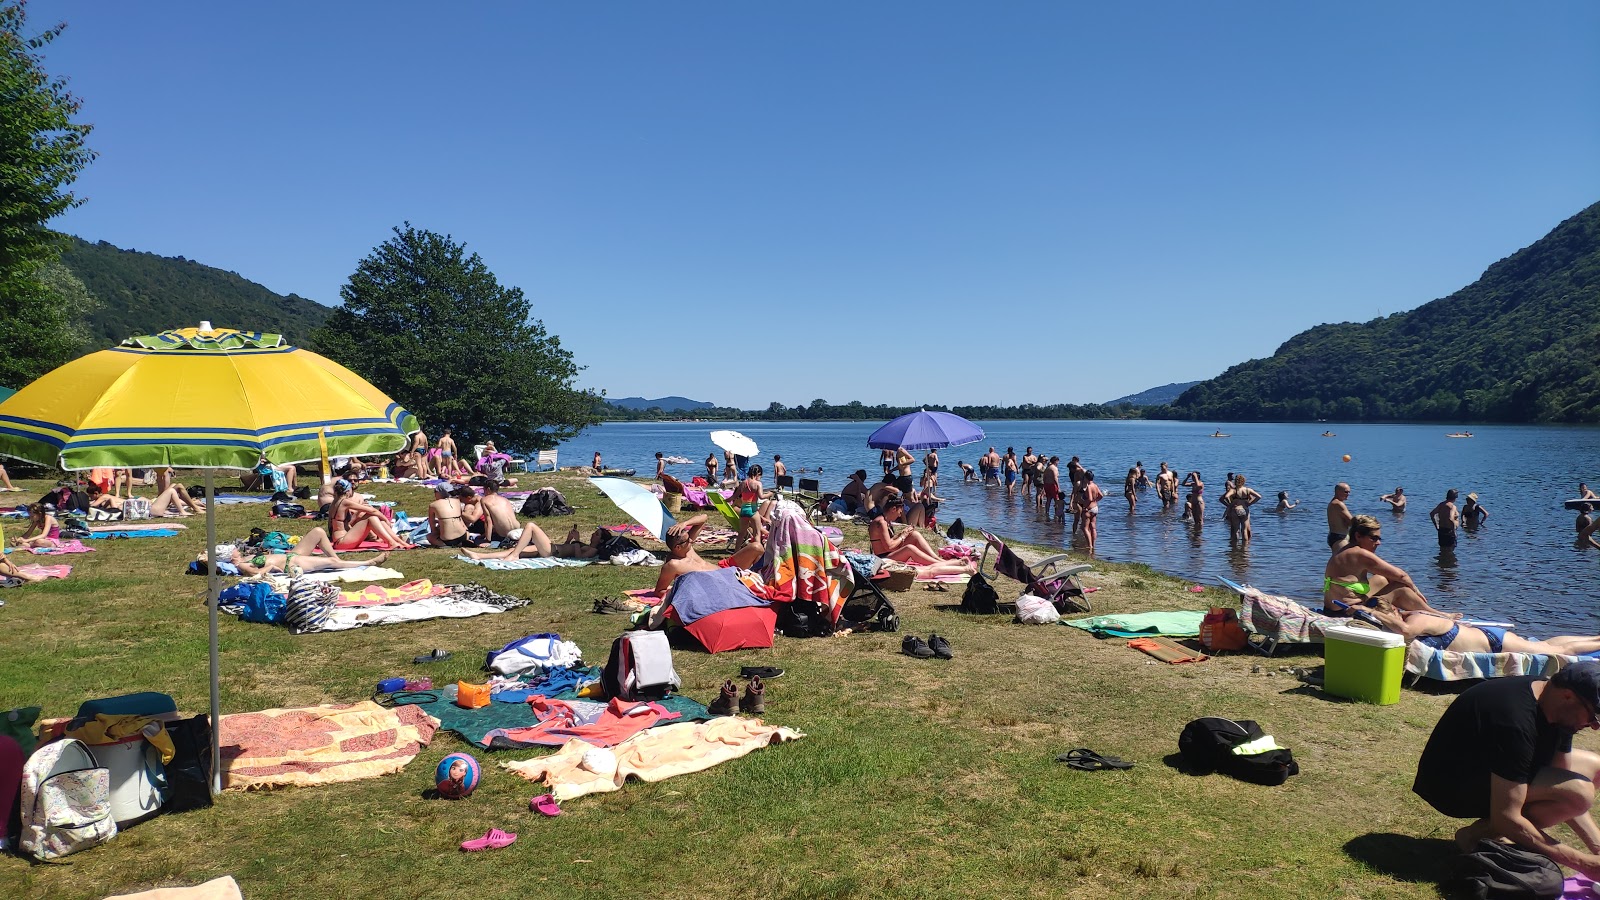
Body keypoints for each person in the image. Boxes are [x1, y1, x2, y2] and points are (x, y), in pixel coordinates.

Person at [1412, 660, 1600, 879]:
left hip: (1494, 765)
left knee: (1594, 771)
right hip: (1452, 784)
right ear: (1568, 696)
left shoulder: (1556, 706)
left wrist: (1597, 848)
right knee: (1579, 792)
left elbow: (1561, 776)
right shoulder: (1515, 720)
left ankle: (1499, 832)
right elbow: (1506, 816)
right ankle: (1475, 836)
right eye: (1593, 716)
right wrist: (1582, 863)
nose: (1595, 726)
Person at [1322, 515, 1454, 617]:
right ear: (1358, 536)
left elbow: (1390, 574)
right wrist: (1416, 590)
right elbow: (1402, 575)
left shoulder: (1345, 549)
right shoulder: (1360, 554)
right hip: (1346, 611)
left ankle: (1415, 609)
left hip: (1332, 608)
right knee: (1400, 588)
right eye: (1373, 538)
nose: (1378, 543)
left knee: (1381, 579)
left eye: (1380, 539)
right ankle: (1435, 613)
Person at [653, 513, 765, 596]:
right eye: (688, 540)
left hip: (725, 568)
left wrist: (685, 523)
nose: (691, 541)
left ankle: (764, 578)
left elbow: (704, 517)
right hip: (719, 582)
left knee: (757, 547)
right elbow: (659, 591)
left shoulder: (687, 547)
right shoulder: (673, 565)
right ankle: (760, 584)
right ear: (678, 547)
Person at [228, 528, 390, 576]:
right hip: (292, 563)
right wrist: (269, 568)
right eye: (232, 551)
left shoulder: (245, 556)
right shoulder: (242, 565)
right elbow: (257, 574)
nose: (235, 549)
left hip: (292, 554)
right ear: (231, 558)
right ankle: (369, 562)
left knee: (318, 532)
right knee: (332, 563)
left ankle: (337, 561)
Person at [868, 497, 969, 572]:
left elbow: (888, 541)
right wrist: (902, 536)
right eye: (899, 512)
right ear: (893, 509)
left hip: (889, 553)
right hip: (884, 558)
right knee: (909, 548)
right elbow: (888, 546)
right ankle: (942, 564)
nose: (899, 515)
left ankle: (937, 559)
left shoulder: (886, 521)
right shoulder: (881, 522)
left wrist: (904, 533)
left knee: (914, 535)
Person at [464, 522, 608, 563]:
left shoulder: (593, 551)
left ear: (601, 540)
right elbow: (568, 548)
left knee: (531, 526)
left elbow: (579, 558)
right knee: (514, 551)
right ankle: (479, 556)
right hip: (552, 548)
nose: (592, 535)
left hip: (552, 551)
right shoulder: (585, 545)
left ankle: (514, 556)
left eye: (596, 534)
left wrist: (576, 543)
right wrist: (570, 540)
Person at [329, 479, 410, 550]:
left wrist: (358, 513)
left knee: (374, 519)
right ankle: (391, 542)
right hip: (342, 542)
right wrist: (385, 519)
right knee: (371, 517)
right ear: (347, 491)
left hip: (341, 540)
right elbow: (372, 511)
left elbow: (346, 524)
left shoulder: (335, 502)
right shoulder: (344, 502)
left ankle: (398, 541)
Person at [426, 484, 483, 548]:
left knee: (430, 536)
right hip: (464, 535)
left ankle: (444, 545)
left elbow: (432, 526)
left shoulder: (433, 505)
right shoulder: (457, 501)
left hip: (448, 540)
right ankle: (462, 541)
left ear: (439, 493)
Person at [1222, 474, 1262, 544]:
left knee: (1236, 530)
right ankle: (1245, 548)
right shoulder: (1248, 490)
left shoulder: (1234, 490)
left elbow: (1226, 496)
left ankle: (1235, 547)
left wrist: (1230, 504)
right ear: (1244, 481)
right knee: (1244, 530)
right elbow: (1259, 496)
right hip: (1245, 510)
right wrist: (1250, 503)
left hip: (1236, 509)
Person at [735, 464, 766, 549]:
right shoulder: (757, 484)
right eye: (760, 475)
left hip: (743, 511)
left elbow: (734, 496)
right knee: (757, 534)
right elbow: (761, 496)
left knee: (741, 534)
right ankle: (758, 554)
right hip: (752, 511)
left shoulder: (743, 483)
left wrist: (725, 500)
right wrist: (771, 493)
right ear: (758, 473)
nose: (760, 477)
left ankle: (736, 553)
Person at [1075, 470, 1104, 555]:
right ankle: (1093, 545)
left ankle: (1090, 546)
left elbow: (1090, 499)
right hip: (1095, 508)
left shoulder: (1089, 486)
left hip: (1089, 508)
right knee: (1093, 527)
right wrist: (1096, 501)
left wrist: (1086, 507)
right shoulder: (1095, 485)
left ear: (1086, 478)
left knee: (1085, 528)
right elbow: (1101, 495)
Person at [1327, 482, 1354, 549]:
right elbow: (1352, 522)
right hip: (1339, 537)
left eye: (1349, 492)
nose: (1348, 494)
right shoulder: (1338, 504)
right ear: (1338, 491)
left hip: (1336, 535)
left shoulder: (1333, 503)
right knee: (1343, 559)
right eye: (1346, 492)